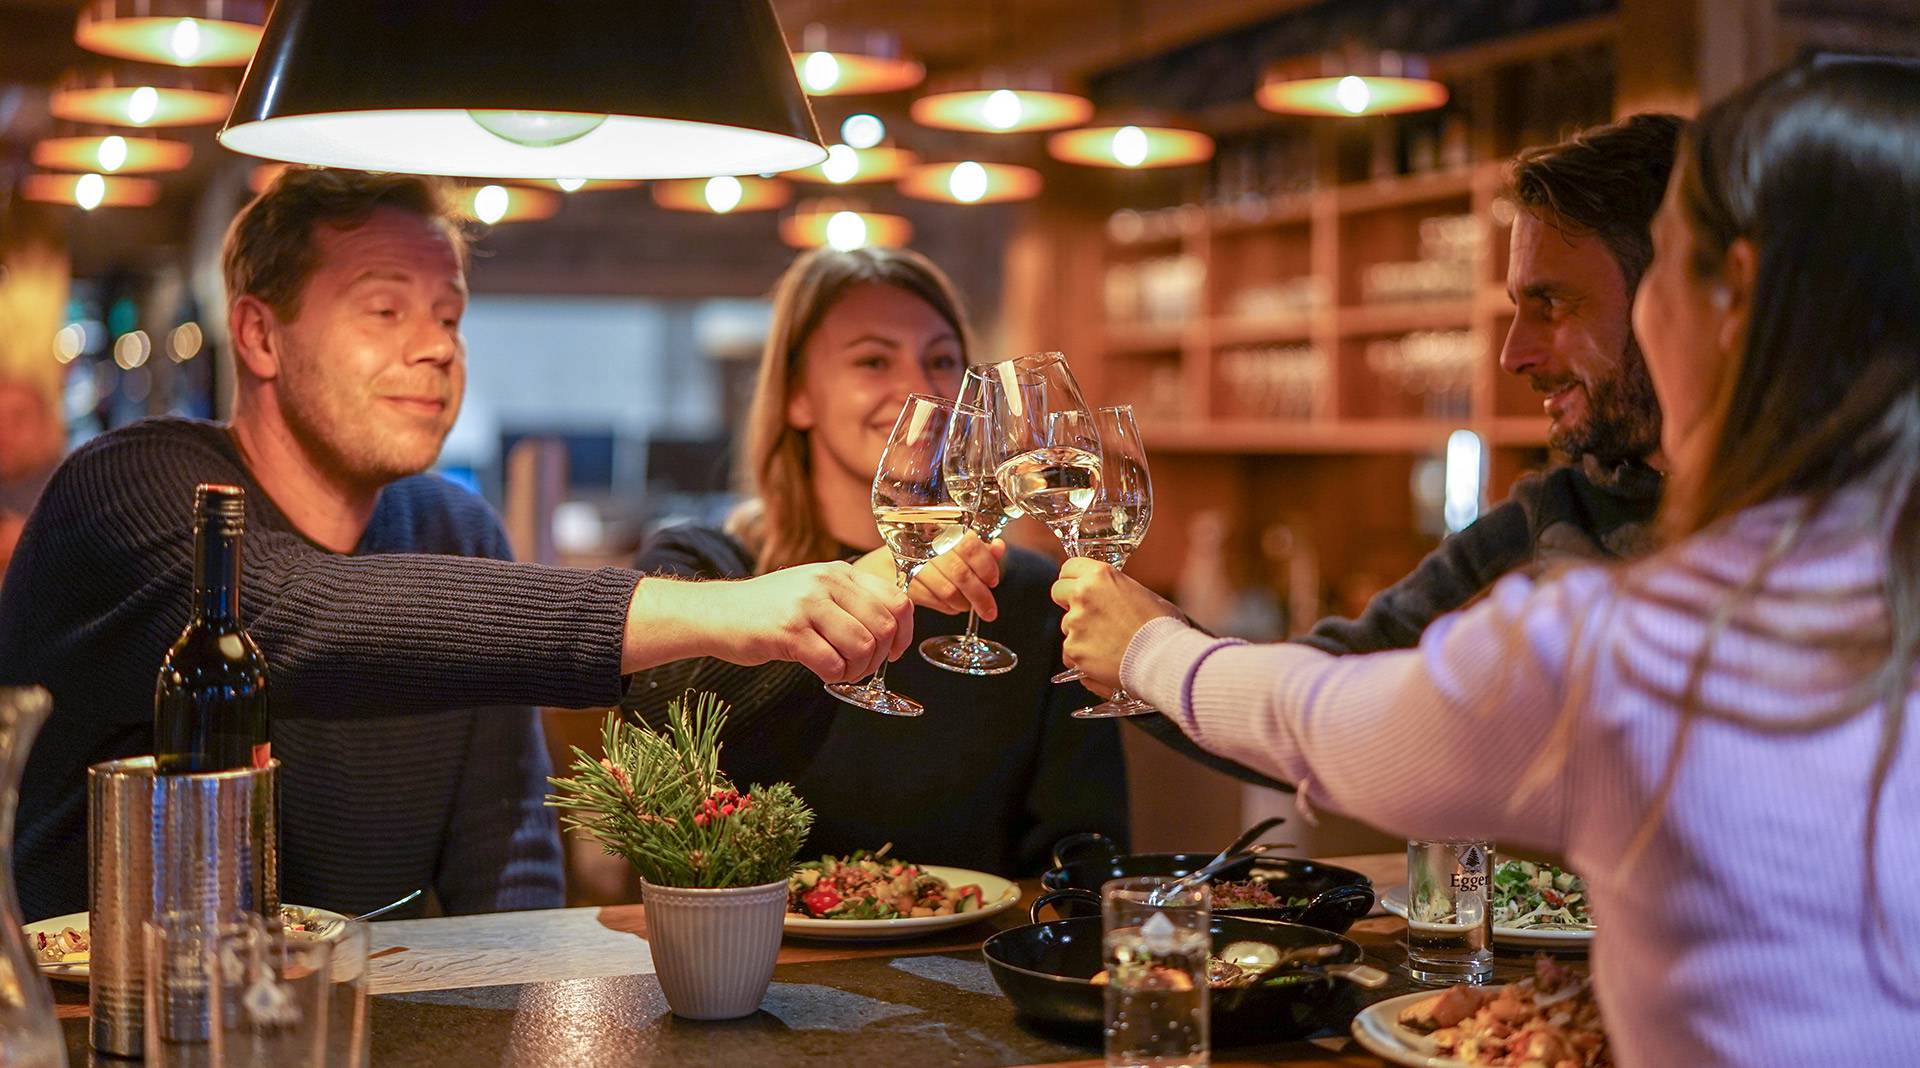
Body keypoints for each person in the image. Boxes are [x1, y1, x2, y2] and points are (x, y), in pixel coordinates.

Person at [1054, 57, 1920, 1065]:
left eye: (1668, 274)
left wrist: (1153, 648)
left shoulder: (1636, 650)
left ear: (1735, 296)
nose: (1512, 354)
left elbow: (1330, 722)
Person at [0, 168, 913, 921]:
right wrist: (729, 610)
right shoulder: (133, 487)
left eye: (449, 315)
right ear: (260, 335)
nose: (437, 347)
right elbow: (300, 617)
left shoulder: (455, 527)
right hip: (92, 1026)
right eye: (385, 310)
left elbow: (508, 855)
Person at [625, 247, 1128, 876]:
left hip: (977, 940)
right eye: (873, 360)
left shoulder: (1030, 596)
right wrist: (866, 580)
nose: (920, 388)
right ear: (798, 397)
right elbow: (656, 729)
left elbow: (1084, 846)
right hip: (746, 938)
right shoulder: (703, 565)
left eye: (941, 361)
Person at [1300, 113, 1680, 655]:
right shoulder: (1550, 516)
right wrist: (1167, 646)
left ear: (1672, 298)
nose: (1511, 356)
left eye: (1553, 305)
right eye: (1516, 307)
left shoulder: (1794, 521)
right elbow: (1335, 668)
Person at [0, 376, 61, 586]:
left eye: (19, 418)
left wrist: (32, 546)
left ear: (47, 426)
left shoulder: (73, 491)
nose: (5, 432)